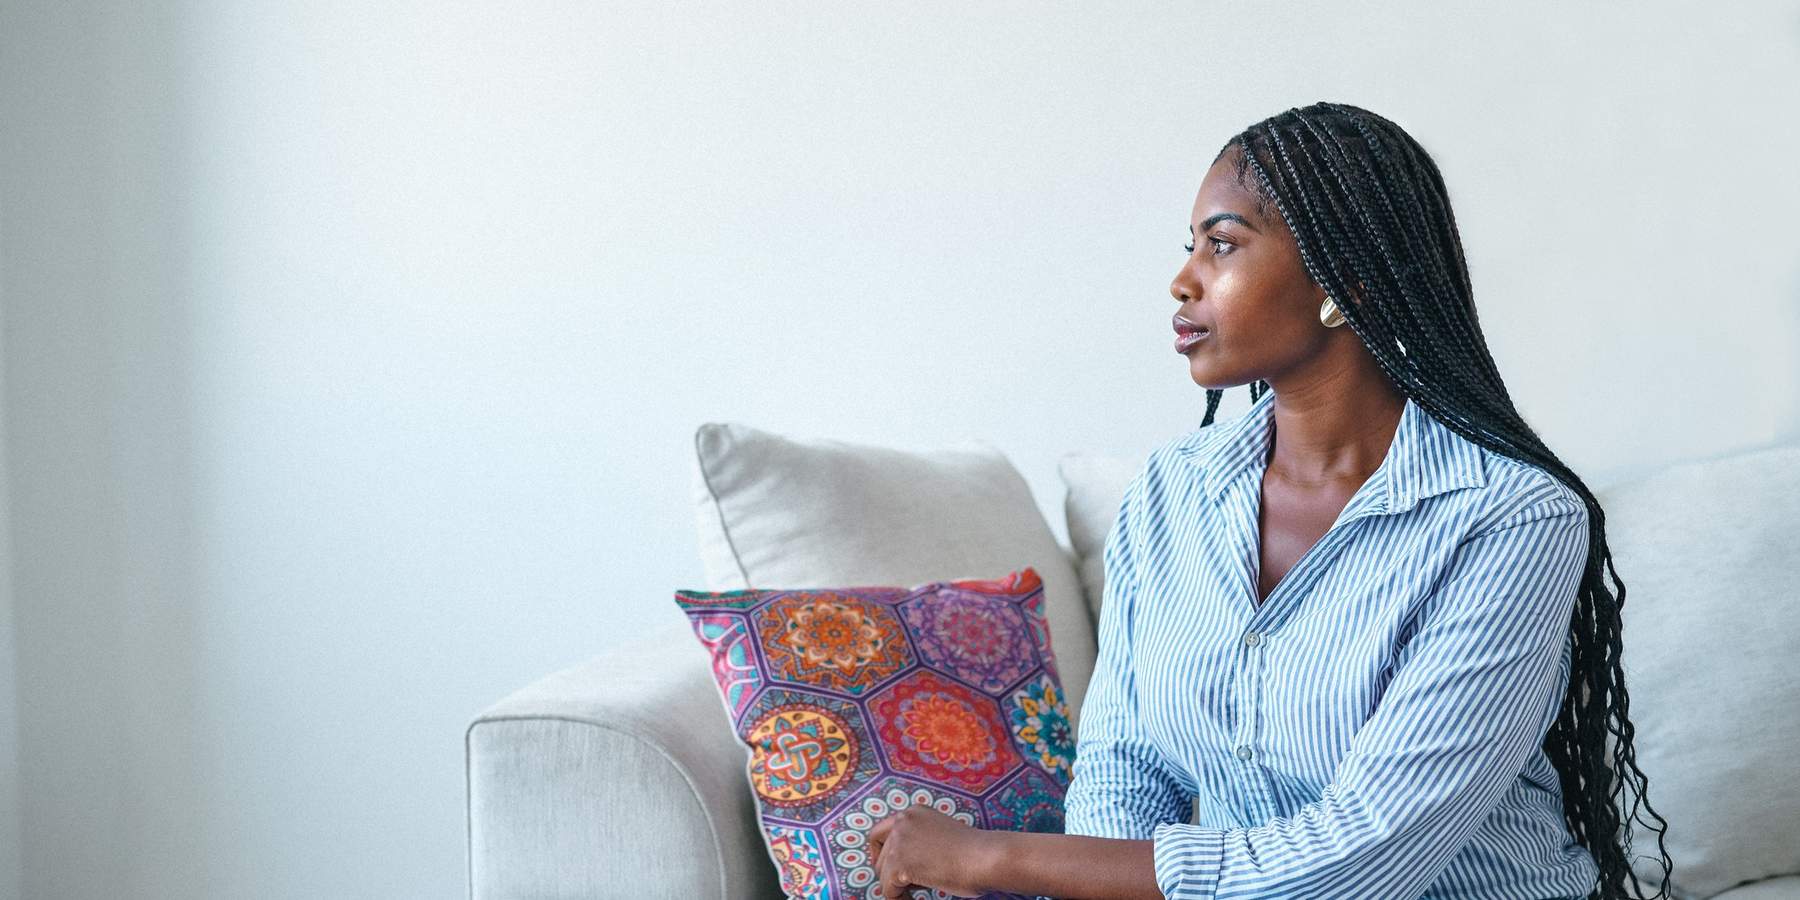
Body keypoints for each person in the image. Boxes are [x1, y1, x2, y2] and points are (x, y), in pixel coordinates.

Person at [865, 102, 1676, 900]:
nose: (1183, 280)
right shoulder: (1172, 490)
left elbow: (1362, 858)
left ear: (1344, 279)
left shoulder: (1511, 519)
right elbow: (1124, 766)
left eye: (1222, 245)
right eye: (1191, 247)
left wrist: (992, 859)